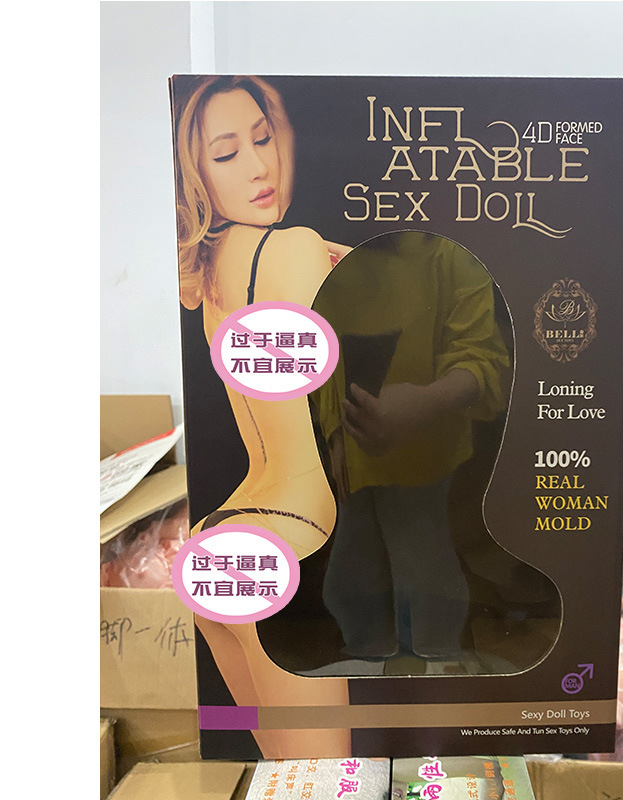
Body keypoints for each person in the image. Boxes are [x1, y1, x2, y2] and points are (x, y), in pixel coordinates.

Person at [173, 75, 350, 757]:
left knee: (286, 778)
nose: (258, 166)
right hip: (295, 545)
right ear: (196, 176)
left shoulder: (208, 268)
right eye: (226, 154)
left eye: (262, 137)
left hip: (222, 540)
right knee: (325, 789)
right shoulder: (299, 247)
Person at [312, 231, 511, 667]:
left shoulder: (450, 255)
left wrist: (428, 402)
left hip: (427, 451)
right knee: (356, 556)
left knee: (421, 549)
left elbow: (480, 357)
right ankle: (368, 653)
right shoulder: (322, 256)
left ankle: (434, 653)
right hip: (353, 452)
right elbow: (317, 352)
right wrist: (335, 433)